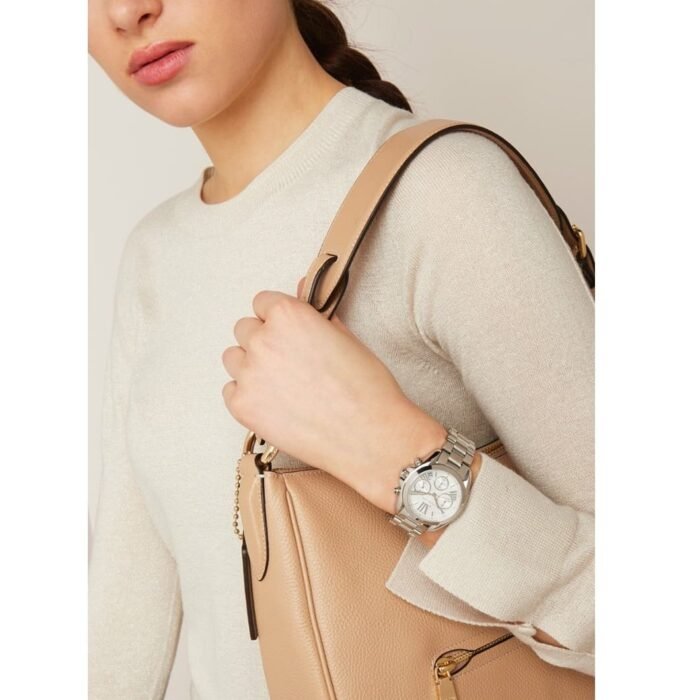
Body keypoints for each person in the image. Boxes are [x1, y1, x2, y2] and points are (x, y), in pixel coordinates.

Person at [88, 0, 595, 697]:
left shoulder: (446, 192)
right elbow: (121, 625)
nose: (124, 11)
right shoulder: (154, 254)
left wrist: (401, 459)